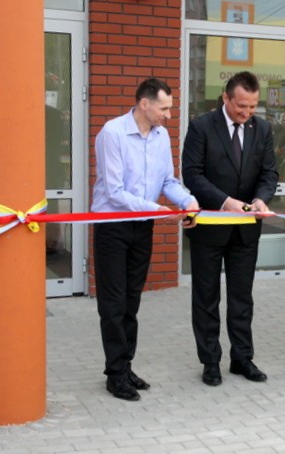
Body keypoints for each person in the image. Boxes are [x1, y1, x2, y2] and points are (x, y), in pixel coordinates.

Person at [92, 78, 199, 401]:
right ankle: (115, 374)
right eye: (164, 107)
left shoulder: (161, 135)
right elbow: (115, 192)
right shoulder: (112, 133)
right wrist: (158, 210)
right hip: (113, 225)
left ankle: (125, 365)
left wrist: (187, 201)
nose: (169, 114)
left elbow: (168, 180)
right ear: (144, 104)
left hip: (143, 227)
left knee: (132, 301)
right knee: (113, 303)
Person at [182, 71, 278, 386]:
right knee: (206, 297)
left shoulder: (262, 129)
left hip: (246, 230)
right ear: (226, 98)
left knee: (242, 297)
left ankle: (242, 359)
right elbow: (193, 175)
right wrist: (225, 202)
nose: (247, 113)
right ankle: (210, 361)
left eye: (252, 107)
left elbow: (269, 173)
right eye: (241, 106)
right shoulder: (200, 128)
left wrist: (261, 200)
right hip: (210, 228)